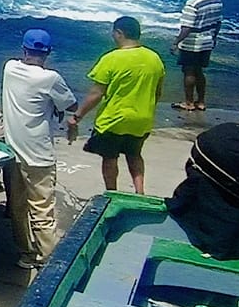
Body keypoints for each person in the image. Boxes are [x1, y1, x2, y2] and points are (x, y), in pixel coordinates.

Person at [0, 29, 77, 268]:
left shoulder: (9, 68)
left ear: (24, 50)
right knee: (42, 210)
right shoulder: (50, 78)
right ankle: (47, 260)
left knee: (18, 208)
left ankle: (26, 254)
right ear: (48, 52)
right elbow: (71, 104)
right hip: (39, 155)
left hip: (13, 151)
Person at [69, 16, 166, 194]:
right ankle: (140, 192)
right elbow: (157, 92)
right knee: (134, 154)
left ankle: (112, 192)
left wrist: (78, 116)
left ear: (119, 33)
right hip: (142, 119)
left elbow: (96, 94)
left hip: (114, 119)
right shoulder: (155, 58)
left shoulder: (111, 59)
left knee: (110, 157)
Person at [173, 0, 224, 112]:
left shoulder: (192, 3)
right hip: (207, 40)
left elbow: (187, 27)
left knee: (189, 71)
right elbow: (218, 22)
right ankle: (201, 102)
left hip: (193, 43)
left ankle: (188, 102)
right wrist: (214, 37)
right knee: (199, 71)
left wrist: (176, 42)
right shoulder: (216, 0)